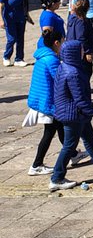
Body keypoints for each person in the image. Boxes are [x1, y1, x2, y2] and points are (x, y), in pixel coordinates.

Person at [48, 39, 93, 190]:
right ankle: (56, 178)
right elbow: (80, 99)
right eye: (81, 50)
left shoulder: (64, 67)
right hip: (73, 114)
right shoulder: (73, 73)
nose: (83, 52)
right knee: (69, 146)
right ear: (75, 53)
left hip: (74, 113)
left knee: (89, 137)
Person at [24, 26, 64, 175]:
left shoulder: (42, 56)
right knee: (50, 132)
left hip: (42, 99)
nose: (63, 43)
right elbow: (60, 80)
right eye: (62, 41)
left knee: (60, 129)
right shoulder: (52, 59)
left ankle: (72, 154)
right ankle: (36, 165)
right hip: (48, 102)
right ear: (56, 43)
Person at [1, 0, 33, 66]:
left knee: (20, 39)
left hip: (20, 18)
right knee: (12, 39)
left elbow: (24, 5)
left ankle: (19, 59)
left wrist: (27, 16)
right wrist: (1, 20)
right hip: (9, 19)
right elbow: (0, 6)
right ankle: (6, 56)